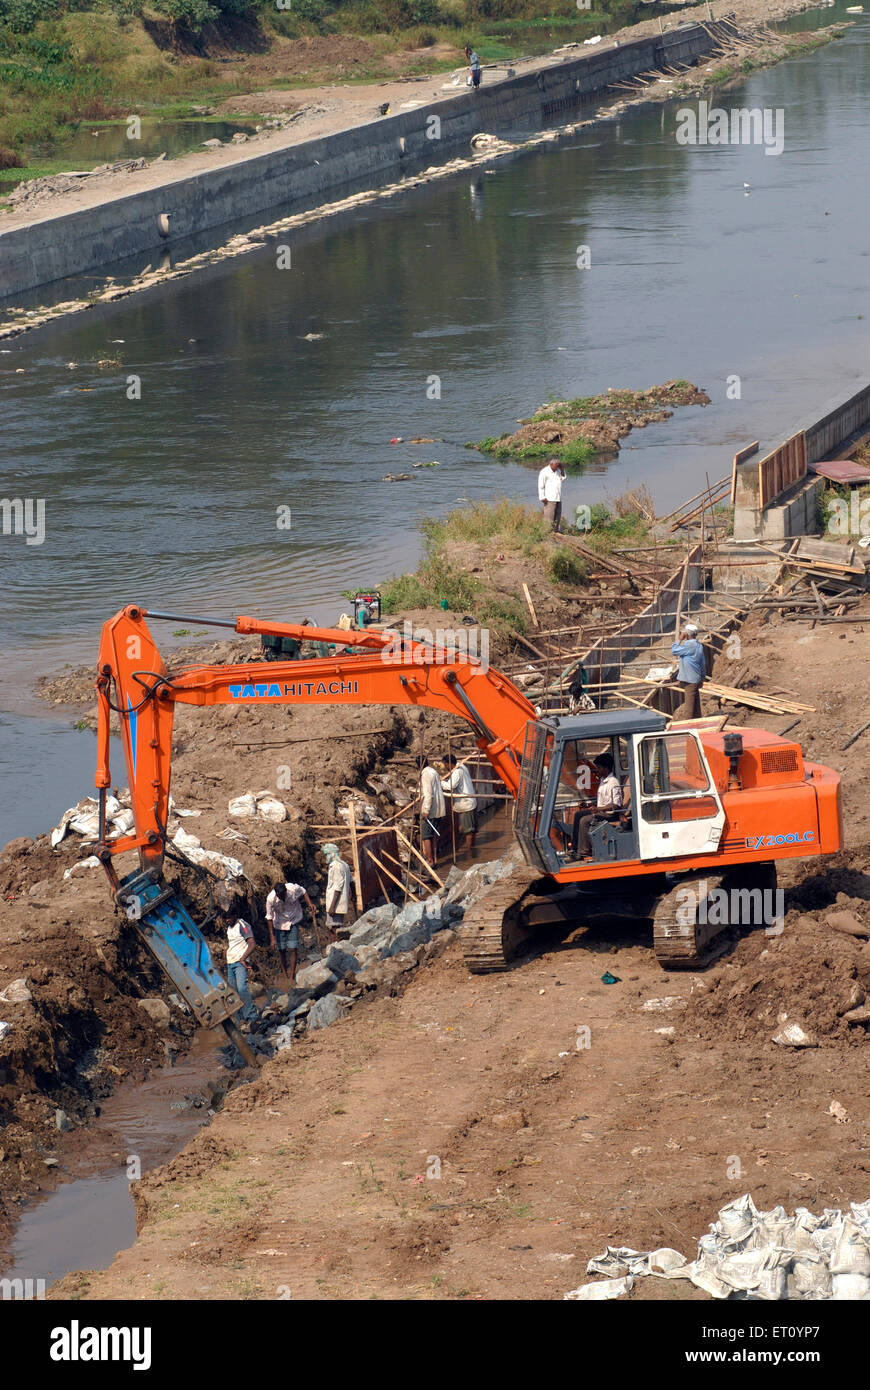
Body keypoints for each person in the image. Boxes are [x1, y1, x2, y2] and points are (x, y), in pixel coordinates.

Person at [265, 879, 315, 986]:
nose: (281, 898)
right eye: (279, 896)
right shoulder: (270, 899)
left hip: (293, 920)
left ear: (285, 891)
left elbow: (303, 891)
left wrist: (310, 904)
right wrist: (272, 938)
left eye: (283, 895)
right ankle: (285, 975)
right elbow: (269, 917)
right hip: (279, 924)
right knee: (282, 950)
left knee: (293, 948)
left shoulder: (292, 889)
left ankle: (292, 976)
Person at [573, 753, 622, 860]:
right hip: (601, 812)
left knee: (584, 821)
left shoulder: (613, 783)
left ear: (606, 768)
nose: (597, 771)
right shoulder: (602, 781)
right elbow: (602, 802)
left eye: (599, 768)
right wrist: (590, 806)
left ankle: (584, 851)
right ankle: (575, 848)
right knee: (578, 815)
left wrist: (597, 809)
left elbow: (616, 805)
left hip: (610, 815)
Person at [225, 912, 258, 1029]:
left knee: (242, 989)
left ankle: (252, 1017)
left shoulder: (242, 925)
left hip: (239, 963)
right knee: (234, 992)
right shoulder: (229, 928)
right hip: (230, 962)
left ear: (235, 915)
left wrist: (243, 958)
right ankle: (240, 1020)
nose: (227, 920)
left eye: (229, 917)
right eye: (226, 918)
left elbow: (252, 944)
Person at [441, 753, 478, 852]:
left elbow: (450, 786)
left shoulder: (457, 772)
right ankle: (472, 849)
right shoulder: (462, 766)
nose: (445, 767)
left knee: (468, 830)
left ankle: (469, 852)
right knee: (472, 829)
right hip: (471, 801)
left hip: (466, 804)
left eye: (445, 765)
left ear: (448, 764)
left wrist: (440, 782)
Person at [671, 622, 706, 720]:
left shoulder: (689, 646)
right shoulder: (699, 645)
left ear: (687, 634)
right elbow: (703, 663)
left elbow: (674, 650)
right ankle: (698, 722)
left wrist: (679, 639)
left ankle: (689, 726)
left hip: (689, 680)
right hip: (696, 678)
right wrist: (702, 677)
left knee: (689, 706)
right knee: (696, 704)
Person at [418, 753, 446, 866]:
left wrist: (425, 810)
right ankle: (435, 858)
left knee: (426, 836)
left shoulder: (425, 774)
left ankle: (429, 861)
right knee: (433, 835)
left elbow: (428, 794)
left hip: (432, 810)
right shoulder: (433, 771)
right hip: (439, 808)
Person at [322, 842, 352, 940]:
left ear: (332, 854)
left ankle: (334, 949)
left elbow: (338, 887)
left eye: (326, 854)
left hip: (335, 903)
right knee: (336, 927)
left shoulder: (336, 866)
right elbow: (351, 881)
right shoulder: (344, 864)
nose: (326, 856)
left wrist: (332, 906)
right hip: (339, 902)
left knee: (333, 928)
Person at [538, 457, 566, 531]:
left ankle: (555, 531)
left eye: (558, 466)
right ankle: (546, 532)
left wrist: (562, 469)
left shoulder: (558, 471)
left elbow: (563, 479)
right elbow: (541, 485)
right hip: (549, 498)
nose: (557, 467)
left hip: (558, 497)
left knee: (557, 516)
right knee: (548, 517)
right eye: (557, 465)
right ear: (551, 464)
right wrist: (542, 497)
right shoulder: (544, 472)